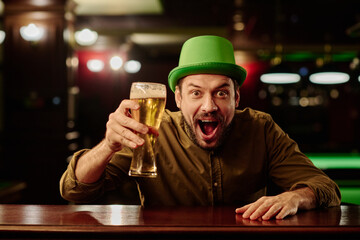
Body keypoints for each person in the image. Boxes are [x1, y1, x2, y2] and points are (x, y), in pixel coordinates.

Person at [60, 35, 341, 220]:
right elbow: (75, 190)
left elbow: (325, 187)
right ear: (178, 99)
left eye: (221, 93)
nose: (209, 106)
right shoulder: (151, 131)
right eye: (196, 93)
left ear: (236, 98)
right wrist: (108, 145)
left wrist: (297, 196)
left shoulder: (261, 129)